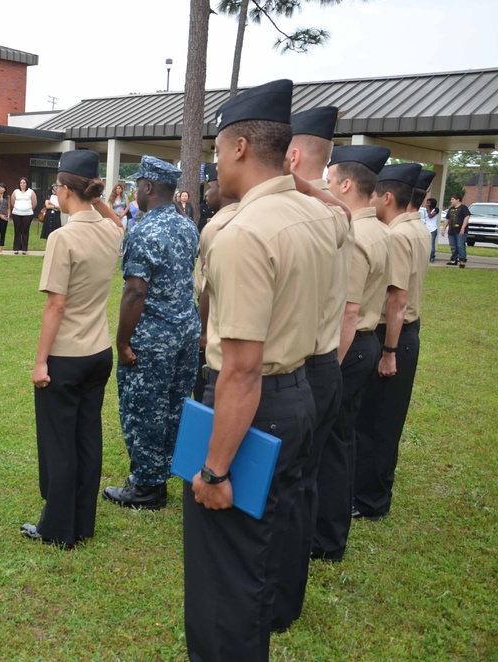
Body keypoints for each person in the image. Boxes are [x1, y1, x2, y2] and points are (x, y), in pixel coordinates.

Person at [186, 79, 340, 662]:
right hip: (301, 389)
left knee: (224, 572)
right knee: (268, 547)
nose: (216, 163)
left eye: (219, 150)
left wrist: (216, 469)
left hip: (254, 405)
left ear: (241, 147)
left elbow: (242, 369)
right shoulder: (318, 215)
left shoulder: (243, 233)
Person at [272, 105, 352, 633]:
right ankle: (289, 594)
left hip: (291, 368)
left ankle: (274, 601)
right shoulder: (335, 213)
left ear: (292, 156)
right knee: (304, 483)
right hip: (325, 363)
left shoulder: (290, 215)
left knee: (277, 490)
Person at [22, 149, 125, 549]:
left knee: (59, 443)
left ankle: (57, 528)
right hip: (98, 351)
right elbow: (115, 220)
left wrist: (40, 360)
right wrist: (94, 193)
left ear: (64, 191)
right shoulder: (110, 231)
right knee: (87, 438)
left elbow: (56, 305)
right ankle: (82, 522)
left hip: (66, 354)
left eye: (57, 187)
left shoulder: (63, 237)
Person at [102, 156, 200, 511]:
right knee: (174, 407)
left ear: (147, 187)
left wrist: (123, 341)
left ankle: (146, 486)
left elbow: (135, 291)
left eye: (137, 186)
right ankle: (161, 474)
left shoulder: (144, 231)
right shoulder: (188, 226)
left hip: (154, 338)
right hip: (186, 334)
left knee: (142, 408)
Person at [314, 144, 392, 563]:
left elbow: (349, 312)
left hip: (349, 345)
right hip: (366, 344)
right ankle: (333, 528)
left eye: (329, 183)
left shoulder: (358, 235)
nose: (326, 189)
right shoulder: (379, 228)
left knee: (328, 443)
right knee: (343, 440)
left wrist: (330, 369)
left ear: (346, 184)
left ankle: (325, 538)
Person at [352, 163, 432, 522]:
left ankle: (369, 501)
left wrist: (388, 352)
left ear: (386, 196)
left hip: (392, 336)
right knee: (386, 422)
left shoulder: (397, 236)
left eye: (373, 195)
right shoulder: (416, 228)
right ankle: (374, 492)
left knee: (375, 423)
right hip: (406, 334)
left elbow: (396, 300)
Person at [192, 163, 239, 404]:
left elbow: (209, 288)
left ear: (222, 188)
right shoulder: (245, 216)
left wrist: (202, 334)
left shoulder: (215, 227)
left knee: (205, 395)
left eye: (209, 187)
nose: (207, 194)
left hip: (214, 323)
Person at [10, 177, 36, 255]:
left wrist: (27, 209)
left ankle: (24, 249)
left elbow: (34, 203)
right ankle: (16, 248)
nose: (22, 184)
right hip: (16, 214)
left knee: (25, 231)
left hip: (27, 215)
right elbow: (12, 202)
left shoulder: (31, 192)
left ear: (26, 184)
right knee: (17, 231)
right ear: (19, 184)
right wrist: (18, 208)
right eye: (21, 183)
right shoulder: (16, 192)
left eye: (24, 183)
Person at [445, 194, 470, 268]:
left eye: (452, 199)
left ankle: (462, 260)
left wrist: (463, 228)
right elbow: (447, 219)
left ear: (458, 200)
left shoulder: (463, 208)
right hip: (452, 230)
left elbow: (467, 217)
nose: (451, 201)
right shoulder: (451, 209)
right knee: (453, 246)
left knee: (460, 245)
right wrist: (444, 229)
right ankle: (454, 259)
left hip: (460, 230)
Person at [423, 197, 439, 263]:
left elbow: (430, 216)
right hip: (426, 228)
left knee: (432, 244)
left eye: (428, 203)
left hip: (433, 229)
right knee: (425, 243)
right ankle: (425, 256)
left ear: (432, 204)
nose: (426, 204)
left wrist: (428, 209)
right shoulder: (426, 210)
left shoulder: (436, 209)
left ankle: (432, 257)